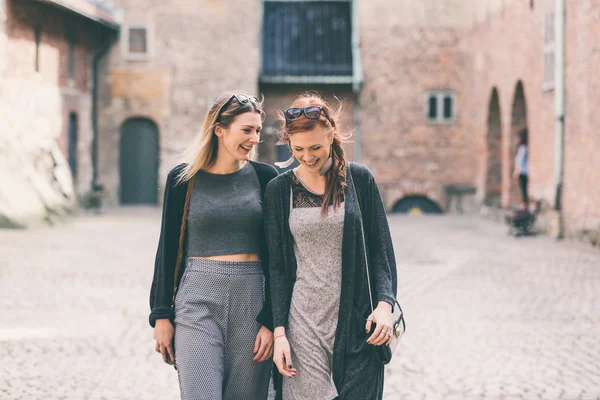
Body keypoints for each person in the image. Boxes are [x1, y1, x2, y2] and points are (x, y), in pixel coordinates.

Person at [263, 93, 398, 400]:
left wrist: (385, 305)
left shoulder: (359, 179)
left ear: (332, 137)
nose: (307, 156)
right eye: (298, 149)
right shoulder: (279, 190)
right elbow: (277, 269)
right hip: (303, 324)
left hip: (359, 323)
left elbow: (381, 251)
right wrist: (280, 331)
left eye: (316, 148)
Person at [149, 93, 278, 400]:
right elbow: (167, 249)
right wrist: (161, 314)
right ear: (220, 129)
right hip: (197, 297)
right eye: (247, 130)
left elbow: (278, 256)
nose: (255, 138)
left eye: (258, 131)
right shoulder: (183, 179)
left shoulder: (265, 177)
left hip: (252, 300)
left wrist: (272, 320)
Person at [513, 129, 529, 210]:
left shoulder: (522, 148)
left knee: (523, 189)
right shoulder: (524, 147)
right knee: (524, 189)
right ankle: (524, 204)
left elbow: (520, 161)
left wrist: (516, 172)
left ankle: (524, 206)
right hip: (524, 172)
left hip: (523, 172)